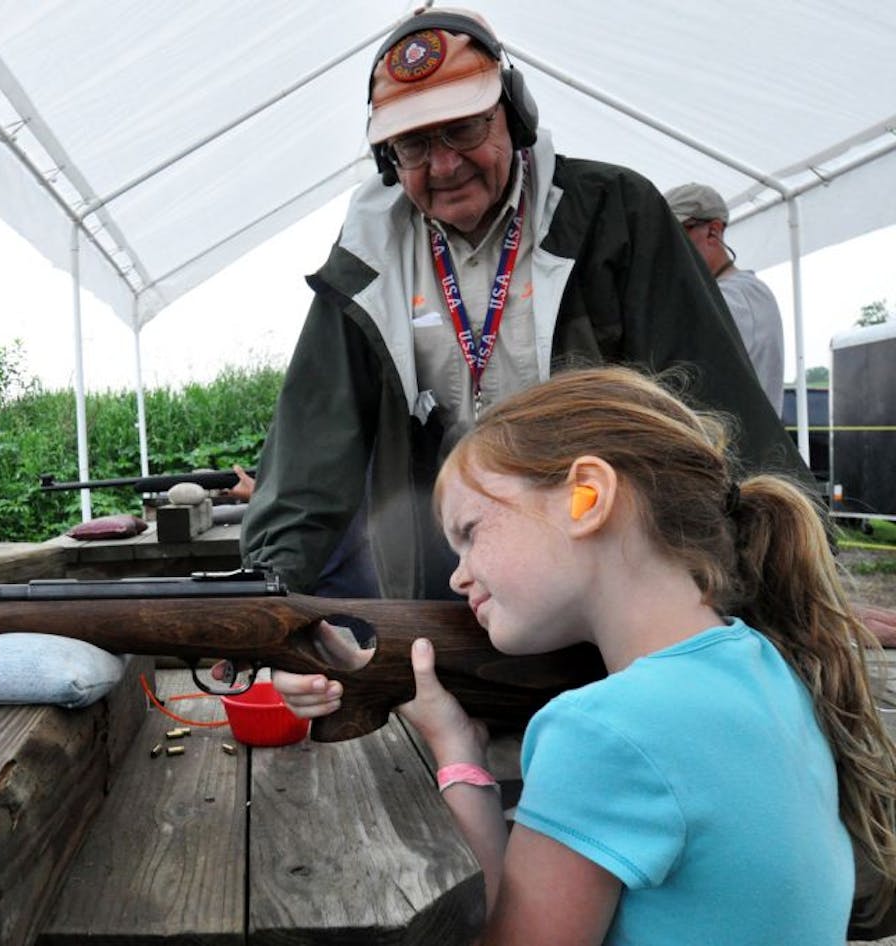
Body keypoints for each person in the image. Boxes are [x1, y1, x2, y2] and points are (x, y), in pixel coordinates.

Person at [279, 365, 896, 944]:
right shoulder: (763, 659)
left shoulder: (605, 731)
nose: (456, 578)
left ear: (587, 497)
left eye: (470, 532)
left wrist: (456, 758)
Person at [240, 8, 804, 602]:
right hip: (446, 581)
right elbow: (310, 447)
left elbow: (718, 409)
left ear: (514, 114)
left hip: (607, 573)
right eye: (413, 145)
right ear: (388, 159)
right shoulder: (367, 259)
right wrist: (265, 594)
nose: (445, 164)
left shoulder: (617, 215)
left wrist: (787, 583)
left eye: (464, 129)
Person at [664, 181, 785, 413]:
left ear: (713, 231)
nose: (668, 248)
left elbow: (684, 358)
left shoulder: (741, 294)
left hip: (739, 447)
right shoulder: (719, 293)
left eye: (677, 234)